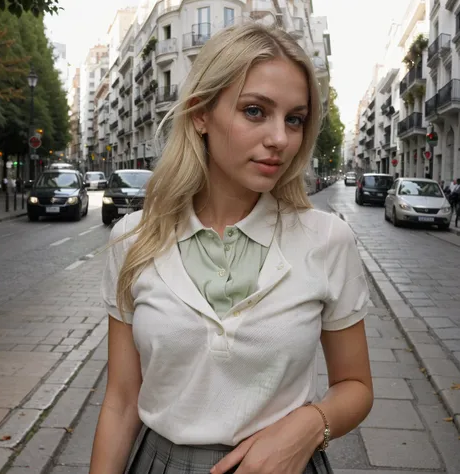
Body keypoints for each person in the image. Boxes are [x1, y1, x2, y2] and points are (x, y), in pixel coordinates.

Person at [93, 22, 373, 474]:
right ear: (201, 114)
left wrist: (309, 425)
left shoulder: (328, 240)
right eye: (256, 111)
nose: (280, 138)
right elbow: (121, 401)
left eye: (294, 119)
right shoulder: (133, 240)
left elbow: (356, 384)